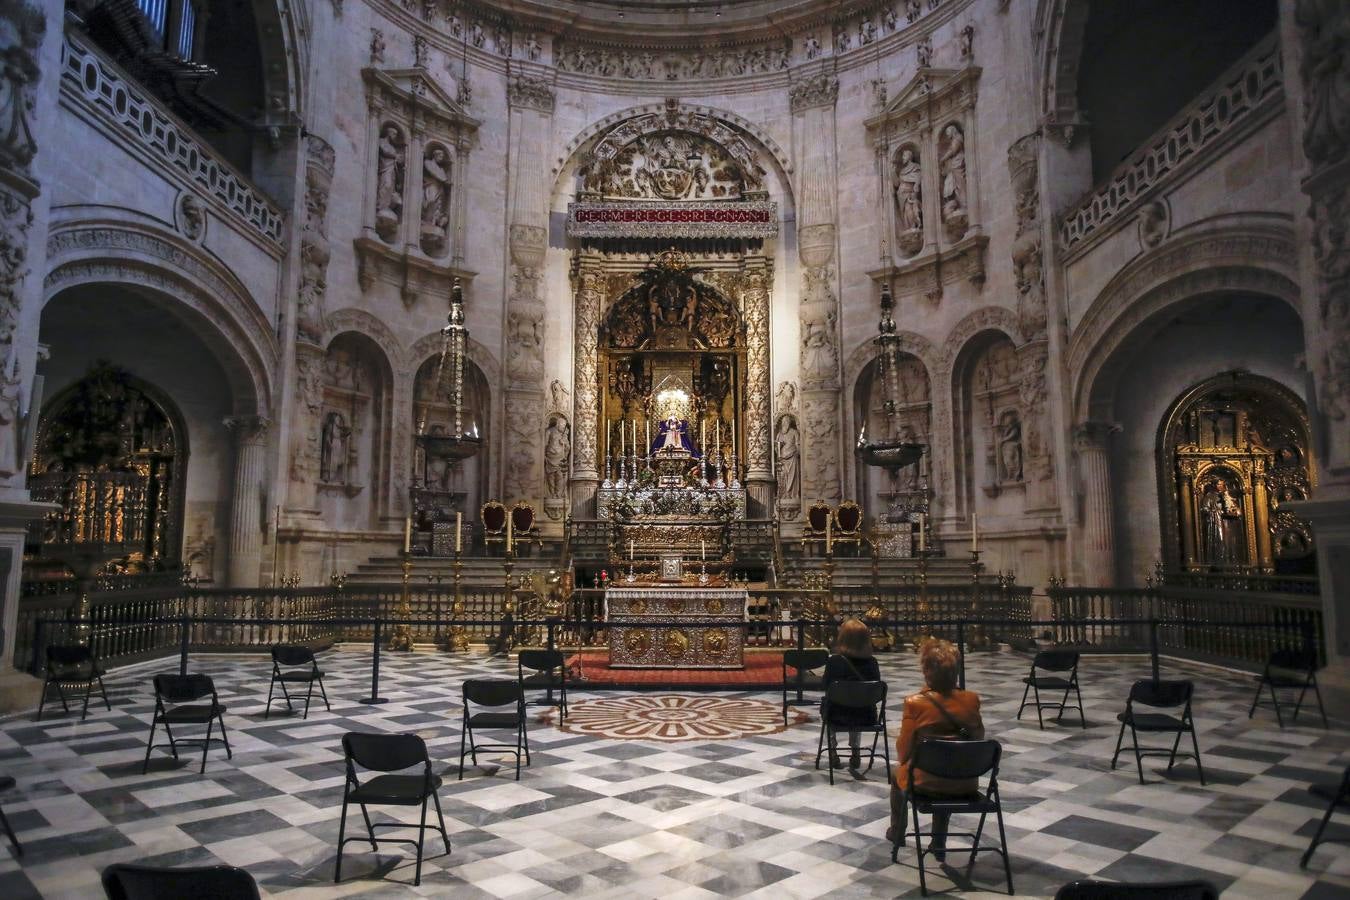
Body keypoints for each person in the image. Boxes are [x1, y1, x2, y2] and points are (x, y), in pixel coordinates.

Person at [889, 638, 985, 858]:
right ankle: (938, 841)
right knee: (949, 764)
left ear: (926, 670)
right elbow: (979, 737)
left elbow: (903, 752)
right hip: (965, 781)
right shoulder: (971, 700)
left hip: (926, 782)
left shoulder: (915, 703)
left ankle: (897, 832)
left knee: (896, 773)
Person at [822, 619, 882, 772]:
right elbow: (875, 690)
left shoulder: (834, 662)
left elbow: (825, 686)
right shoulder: (872, 663)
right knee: (858, 702)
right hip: (867, 717)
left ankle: (833, 750)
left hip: (837, 716)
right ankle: (856, 751)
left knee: (831, 703)